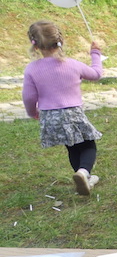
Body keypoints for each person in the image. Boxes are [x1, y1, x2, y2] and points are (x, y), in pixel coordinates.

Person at [22, 21, 103, 196]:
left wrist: (32, 112)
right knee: (88, 145)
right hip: (72, 113)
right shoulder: (72, 64)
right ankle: (84, 172)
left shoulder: (32, 69)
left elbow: (29, 97)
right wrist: (95, 53)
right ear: (60, 41)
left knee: (71, 147)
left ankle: (83, 179)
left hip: (50, 117)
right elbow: (96, 74)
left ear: (35, 45)